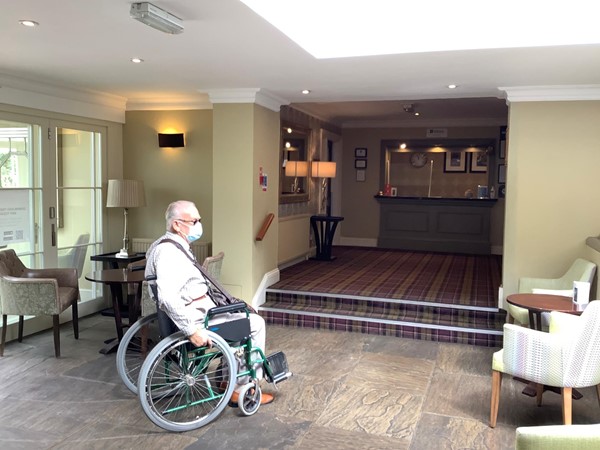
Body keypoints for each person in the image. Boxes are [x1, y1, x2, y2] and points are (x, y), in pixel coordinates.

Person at [145, 200, 273, 405]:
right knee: (255, 323)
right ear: (177, 224)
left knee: (240, 313)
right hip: (195, 317)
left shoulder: (164, 245)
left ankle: (227, 379)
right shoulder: (169, 253)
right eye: (194, 221)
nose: (198, 225)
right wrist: (191, 330)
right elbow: (167, 297)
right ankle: (243, 389)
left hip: (199, 308)